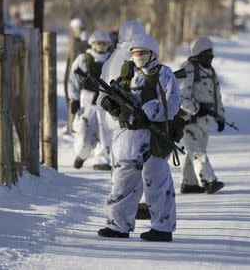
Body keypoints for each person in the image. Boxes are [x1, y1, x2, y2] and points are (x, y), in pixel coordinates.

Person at [97, 34, 180, 242]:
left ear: (152, 54)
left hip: (154, 138)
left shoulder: (164, 74)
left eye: (142, 53)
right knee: (123, 184)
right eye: (134, 53)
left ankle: (162, 227)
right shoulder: (127, 75)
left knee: (157, 184)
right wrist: (113, 106)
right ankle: (118, 225)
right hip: (128, 139)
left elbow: (173, 103)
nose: (138, 56)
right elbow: (119, 105)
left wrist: (150, 112)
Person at [176, 37, 225, 194]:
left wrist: (220, 116)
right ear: (197, 54)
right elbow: (183, 98)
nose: (210, 57)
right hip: (189, 120)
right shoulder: (189, 70)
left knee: (196, 150)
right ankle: (209, 180)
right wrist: (197, 109)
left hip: (205, 121)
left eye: (211, 54)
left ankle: (189, 183)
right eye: (206, 54)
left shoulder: (211, 72)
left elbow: (217, 97)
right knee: (198, 151)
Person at [68, 30, 112, 170]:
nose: (101, 46)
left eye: (104, 44)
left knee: (105, 132)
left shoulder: (111, 59)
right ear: (92, 44)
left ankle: (102, 160)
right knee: (84, 132)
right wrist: (73, 99)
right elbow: (73, 80)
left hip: (105, 100)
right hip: (87, 100)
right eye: (98, 43)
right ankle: (81, 155)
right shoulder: (84, 59)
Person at [64, 18, 89, 134]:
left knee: (76, 102)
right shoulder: (74, 41)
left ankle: (74, 127)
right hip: (73, 75)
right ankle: (72, 126)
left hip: (79, 78)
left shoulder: (82, 42)